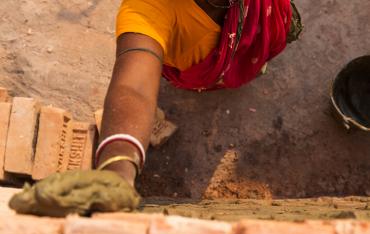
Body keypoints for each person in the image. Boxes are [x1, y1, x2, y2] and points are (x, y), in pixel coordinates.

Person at [96, 0, 302, 189]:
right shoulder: (147, 8)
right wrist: (117, 171)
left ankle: (257, 51)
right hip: (204, 70)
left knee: (271, 31)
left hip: (259, 11)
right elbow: (134, 88)